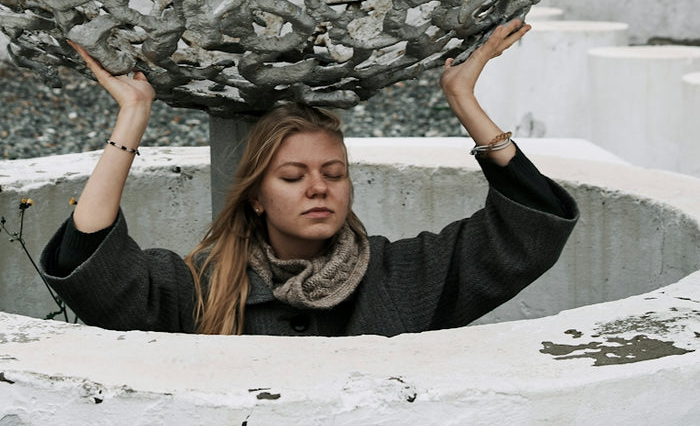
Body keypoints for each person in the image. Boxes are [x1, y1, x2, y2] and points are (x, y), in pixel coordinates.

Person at [40, 18, 578, 336]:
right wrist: (132, 115)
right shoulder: (202, 288)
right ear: (255, 197)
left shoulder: (404, 276)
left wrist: (462, 98)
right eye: (293, 176)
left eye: (333, 173)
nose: (318, 187)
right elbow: (87, 263)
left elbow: (530, 230)